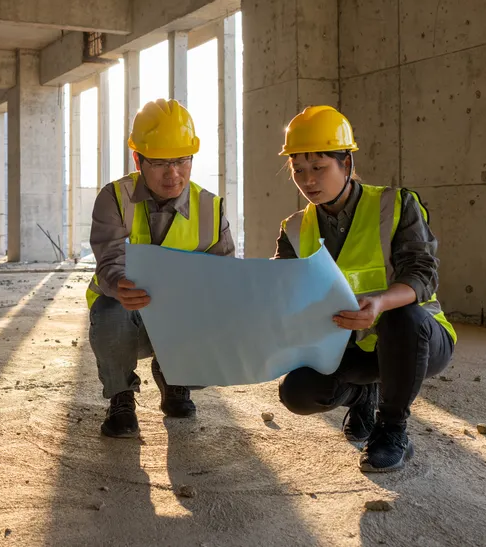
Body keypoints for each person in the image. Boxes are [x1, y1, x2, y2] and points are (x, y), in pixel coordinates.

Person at [272, 105, 456, 472]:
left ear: (347, 163)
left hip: (414, 341)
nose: (308, 180)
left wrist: (379, 302)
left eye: (319, 168)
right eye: (299, 171)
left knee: (401, 315)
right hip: (349, 346)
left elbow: (422, 274)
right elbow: (281, 290)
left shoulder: (396, 205)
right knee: (298, 393)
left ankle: (391, 429)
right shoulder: (294, 228)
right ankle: (362, 394)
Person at [86, 98, 236, 438]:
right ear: (138, 159)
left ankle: (175, 377)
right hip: (129, 315)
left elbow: (226, 273)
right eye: (160, 163)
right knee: (111, 312)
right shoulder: (114, 197)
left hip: (182, 317)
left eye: (183, 161)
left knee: (222, 333)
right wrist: (119, 283)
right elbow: (108, 259)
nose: (174, 174)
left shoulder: (210, 207)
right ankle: (121, 396)